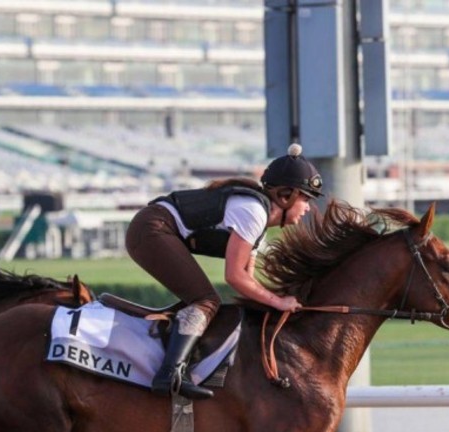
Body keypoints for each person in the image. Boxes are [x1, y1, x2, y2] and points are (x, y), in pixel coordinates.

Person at [125, 143, 323, 400]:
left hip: (155, 226)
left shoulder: (258, 225)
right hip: (151, 228)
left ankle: (177, 361)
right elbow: (234, 277)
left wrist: (274, 308)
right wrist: (279, 301)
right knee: (206, 300)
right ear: (285, 195)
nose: (307, 207)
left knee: (202, 300)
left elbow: (248, 283)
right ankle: (170, 374)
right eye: (305, 198)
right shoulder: (253, 213)